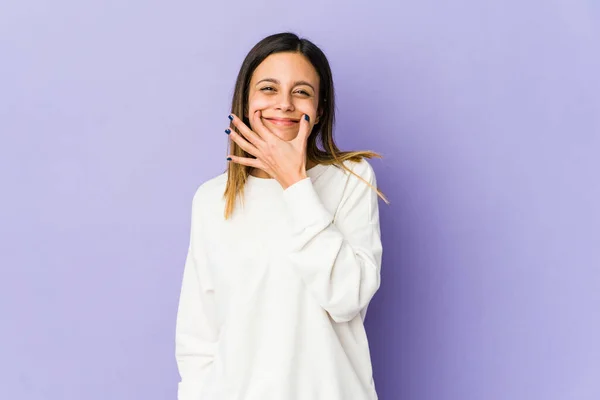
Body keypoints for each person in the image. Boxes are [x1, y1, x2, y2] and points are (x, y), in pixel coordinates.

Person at [175, 32, 389, 400]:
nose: (285, 104)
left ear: (319, 109)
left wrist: (294, 183)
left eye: (302, 91)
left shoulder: (351, 179)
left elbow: (347, 296)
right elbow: (199, 339)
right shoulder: (212, 199)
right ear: (246, 101)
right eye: (269, 88)